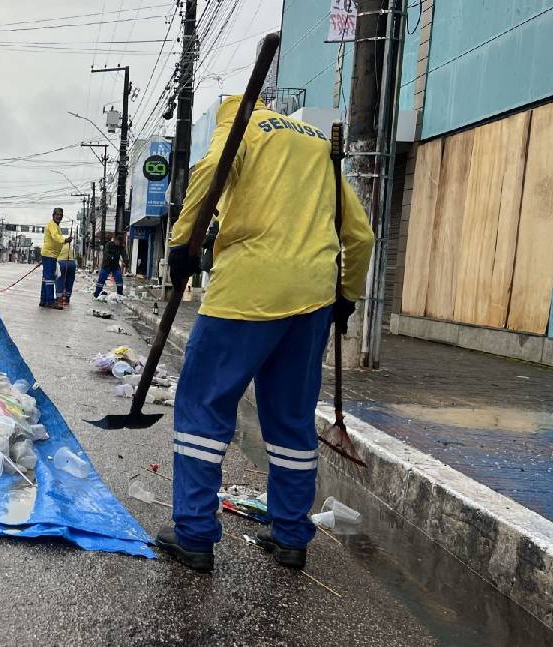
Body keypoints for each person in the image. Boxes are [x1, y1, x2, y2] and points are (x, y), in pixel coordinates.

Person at [156, 95, 374, 573]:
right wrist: (346, 297)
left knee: (204, 405)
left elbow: (213, 171)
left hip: (247, 290)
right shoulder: (318, 143)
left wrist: (182, 243)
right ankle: (292, 535)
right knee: (292, 420)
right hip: (314, 296)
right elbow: (359, 235)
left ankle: (194, 534)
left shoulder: (243, 126)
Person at [39, 208, 70, 309]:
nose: (59, 216)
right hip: (49, 255)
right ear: (53, 215)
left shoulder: (56, 225)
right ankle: (50, 301)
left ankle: (43, 300)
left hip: (50, 255)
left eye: (61, 215)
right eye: (58, 214)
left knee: (46, 278)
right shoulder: (52, 224)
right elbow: (55, 236)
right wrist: (65, 240)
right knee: (49, 279)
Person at [93, 231, 128, 298]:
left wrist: (126, 262)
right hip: (106, 265)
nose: (118, 243)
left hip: (115, 266)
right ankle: (97, 293)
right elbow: (106, 253)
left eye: (120, 242)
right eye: (117, 241)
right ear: (115, 240)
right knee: (101, 279)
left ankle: (120, 295)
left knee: (119, 279)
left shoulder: (121, 247)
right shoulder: (109, 244)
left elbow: (124, 255)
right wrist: (111, 257)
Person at [56, 233, 77, 306]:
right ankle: (67, 298)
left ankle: (59, 298)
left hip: (61, 262)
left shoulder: (58, 244)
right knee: (69, 280)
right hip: (71, 263)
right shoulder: (69, 245)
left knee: (60, 280)